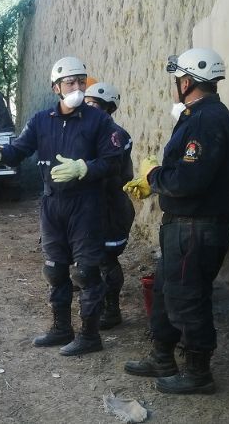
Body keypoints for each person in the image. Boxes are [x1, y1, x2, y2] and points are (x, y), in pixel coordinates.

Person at [0, 57, 124, 356]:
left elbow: (113, 161)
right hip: (52, 204)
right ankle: (61, 328)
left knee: (86, 272)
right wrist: (2, 154)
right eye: (70, 82)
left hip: (85, 204)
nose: (76, 87)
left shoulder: (98, 121)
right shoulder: (40, 120)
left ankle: (90, 336)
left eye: (80, 82)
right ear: (56, 87)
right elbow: (20, 149)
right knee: (55, 269)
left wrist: (84, 168)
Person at [123, 48, 229, 394]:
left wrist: (154, 176)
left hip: (197, 225)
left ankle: (198, 373)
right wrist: (156, 182)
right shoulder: (197, 116)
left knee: (187, 297)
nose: (177, 85)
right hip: (184, 223)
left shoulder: (206, 120)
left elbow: (188, 181)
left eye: (178, 80)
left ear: (187, 81)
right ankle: (162, 356)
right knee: (165, 290)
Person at [83, 82, 135, 329]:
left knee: (106, 258)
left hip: (110, 206)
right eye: (87, 103)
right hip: (91, 207)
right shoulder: (88, 132)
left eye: (93, 105)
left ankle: (112, 309)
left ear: (107, 109)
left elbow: (107, 169)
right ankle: (97, 301)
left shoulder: (116, 135)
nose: (87, 109)